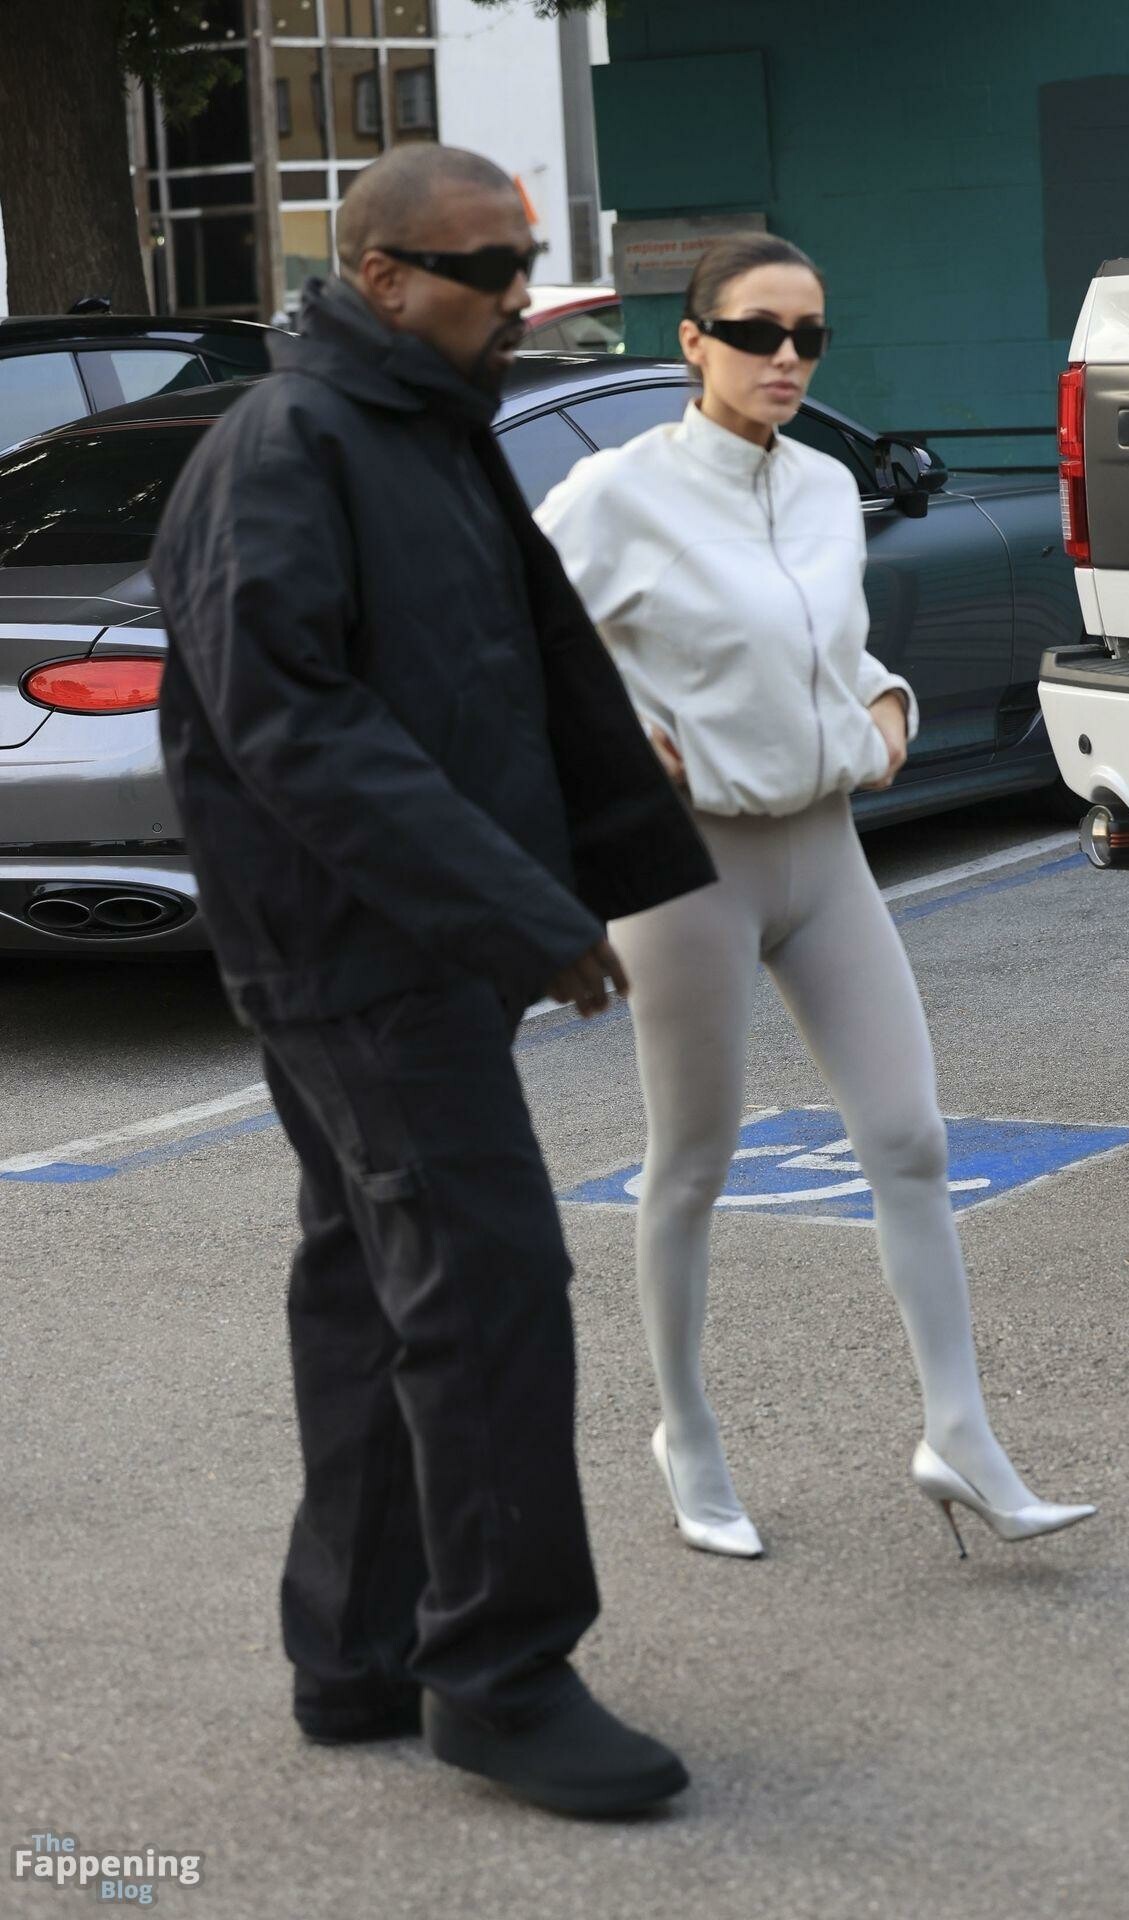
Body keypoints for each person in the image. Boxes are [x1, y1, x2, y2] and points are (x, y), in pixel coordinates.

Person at [149, 145, 717, 1817]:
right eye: (486, 269)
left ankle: (358, 1651)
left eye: (526, 261)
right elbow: (298, 729)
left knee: (372, 1284)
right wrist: (519, 914)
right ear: (381, 276)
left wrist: (589, 858)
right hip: (357, 954)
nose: (518, 296)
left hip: (418, 943)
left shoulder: (426, 429)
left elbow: (508, 673)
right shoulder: (287, 445)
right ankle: (501, 1677)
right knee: (487, 1285)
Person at [536, 234, 1097, 1561]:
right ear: (693, 341)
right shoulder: (618, 493)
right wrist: (612, 742)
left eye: (808, 336)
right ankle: (687, 1433)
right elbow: (510, 644)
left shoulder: (827, 486)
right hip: (688, 870)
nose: (784, 357)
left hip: (827, 849)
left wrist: (887, 699)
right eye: (755, 332)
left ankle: (959, 1434)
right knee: (692, 1162)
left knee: (911, 1140)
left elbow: (822, 644)